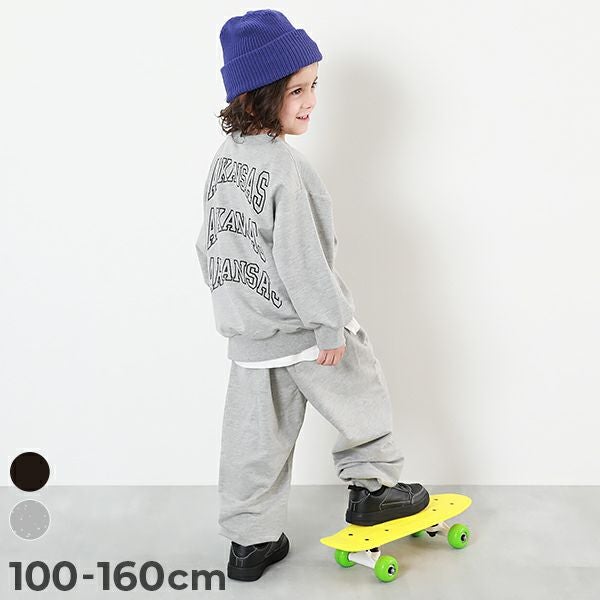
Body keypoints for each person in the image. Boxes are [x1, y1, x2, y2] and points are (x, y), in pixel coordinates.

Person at [195, 9, 430, 582]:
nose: (311, 102)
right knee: (361, 391)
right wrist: (329, 325)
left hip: (251, 337)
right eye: (297, 90)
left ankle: (250, 542)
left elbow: (208, 246)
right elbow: (302, 259)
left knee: (254, 442)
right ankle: (374, 489)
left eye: (314, 86)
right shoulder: (286, 169)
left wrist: (236, 311)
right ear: (258, 93)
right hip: (307, 332)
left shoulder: (224, 162)